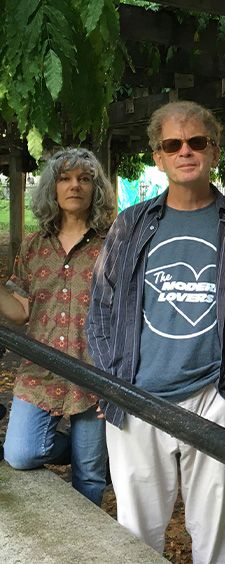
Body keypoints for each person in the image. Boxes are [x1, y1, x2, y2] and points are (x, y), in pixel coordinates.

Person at [87, 100, 225, 563]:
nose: (185, 151)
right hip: (138, 396)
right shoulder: (132, 224)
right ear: (158, 156)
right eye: (172, 144)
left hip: (213, 395)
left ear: (214, 150)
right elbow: (101, 307)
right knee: (136, 534)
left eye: (196, 141)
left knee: (213, 533)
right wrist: (114, 385)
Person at [0, 148, 115, 505]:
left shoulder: (113, 244)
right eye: (65, 178)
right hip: (40, 372)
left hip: (93, 373)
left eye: (84, 179)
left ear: (96, 188)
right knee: (21, 453)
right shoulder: (34, 245)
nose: (74, 185)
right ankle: (74, 451)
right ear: (53, 187)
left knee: (89, 476)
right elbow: (20, 311)